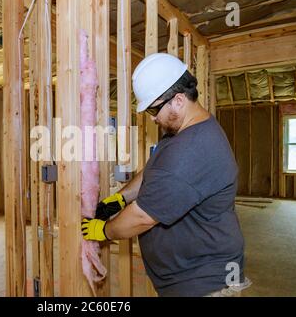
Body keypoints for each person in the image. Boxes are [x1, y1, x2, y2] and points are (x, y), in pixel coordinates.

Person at [82, 53, 249, 297]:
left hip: (204, 284)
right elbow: (155, 169)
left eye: (154, 109)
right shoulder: (185, 132)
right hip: (190, 277)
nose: (153, 118)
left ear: (179, 100)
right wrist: (120, 199)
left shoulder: (191, 151)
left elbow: (142, 217)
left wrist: (104, 230)